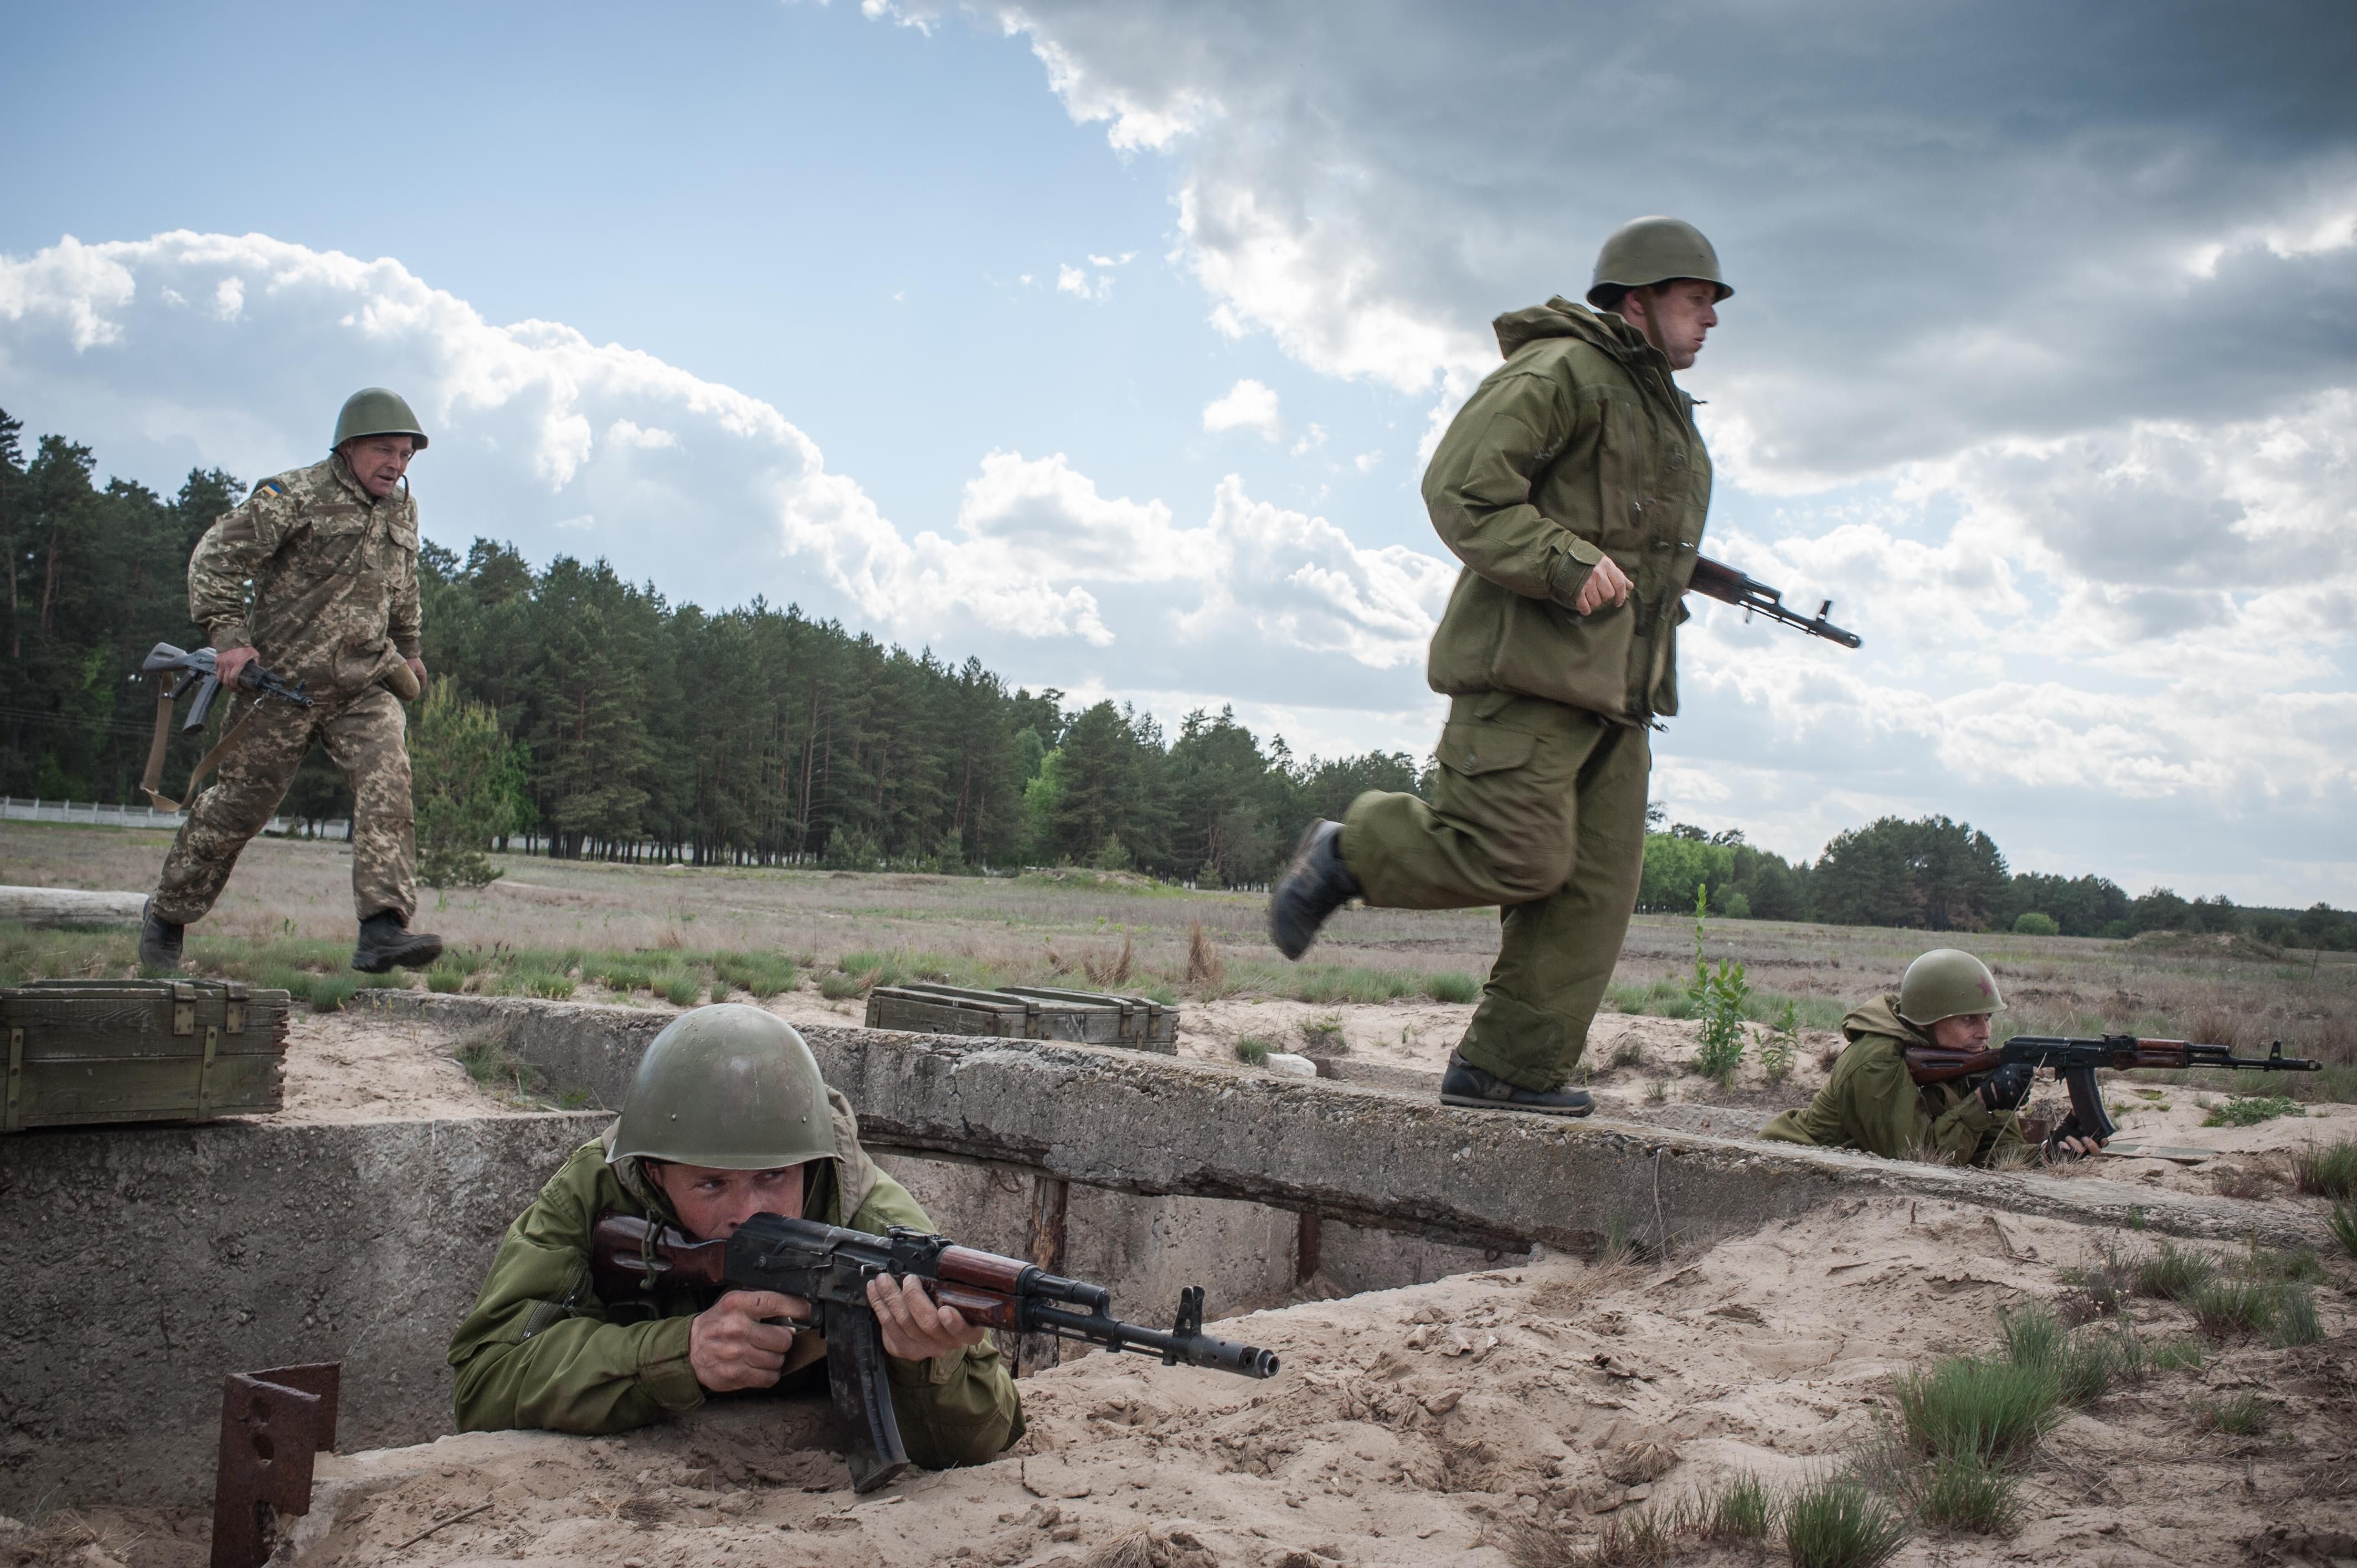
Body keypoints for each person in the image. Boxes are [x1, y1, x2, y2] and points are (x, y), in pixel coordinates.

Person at [1268, 216, 1730, 1116]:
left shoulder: (1666, 414)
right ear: (1638, 300)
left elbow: (1623, 525)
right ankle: (1350, 851)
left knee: (1594, 893)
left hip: (1619, 697)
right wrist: (1563, 561)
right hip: (1529, 677)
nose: (1711, 318)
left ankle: (1508, 1068)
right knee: (1514, 854)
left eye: (1713, 302)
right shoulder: (1558, 371)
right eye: (1695, 298)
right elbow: (1463, 488)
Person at [448, 1004, 1025, 1464]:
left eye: (773, 1177)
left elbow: (989, 1435)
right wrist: (681, 1353)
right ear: (654, 1173)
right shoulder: (595, 1194)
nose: (747, 1212)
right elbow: (485, 1381)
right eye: (712, 1185)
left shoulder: (870, 1223)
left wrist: (927, 1362)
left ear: (811, 1164)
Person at [139, 388, 442, 976]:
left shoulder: (402, 509)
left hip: (361, 683)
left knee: (388, 781)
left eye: (406, 455)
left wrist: (409, 649)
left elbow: (404, 585)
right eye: (385, 451)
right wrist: (230, 638)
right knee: (237, 810)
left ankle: (382, 929)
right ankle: (168, 914)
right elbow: (216, 557)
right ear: (349, 446)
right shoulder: (294, 495)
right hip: (278, 687)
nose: (397, 465)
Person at [1759, 948, 2104, 1164]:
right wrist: (1981, 1103)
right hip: (1789, 1163)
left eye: (1987, 1018)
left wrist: (2049, 1152)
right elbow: (1920, 1162)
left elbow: (1993, 1156)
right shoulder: (1875, 1061)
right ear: (1927, 1020)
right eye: (1968, 1019)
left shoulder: (1968, 1059)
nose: (1984, 1032)